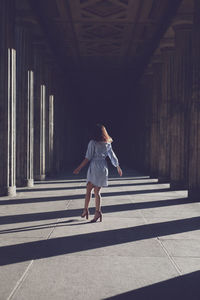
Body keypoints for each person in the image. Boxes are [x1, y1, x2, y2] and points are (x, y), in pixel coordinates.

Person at [73, 124, 122, 222]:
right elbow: (112, 155)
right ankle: (97, 212)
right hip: (103, 168)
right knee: (97, 192)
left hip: (95, 167)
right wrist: (117, 166)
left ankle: (85, 210)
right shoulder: (107, 143)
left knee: (88, 190)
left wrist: (79, 168)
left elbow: (88, 157)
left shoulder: (92, 143)